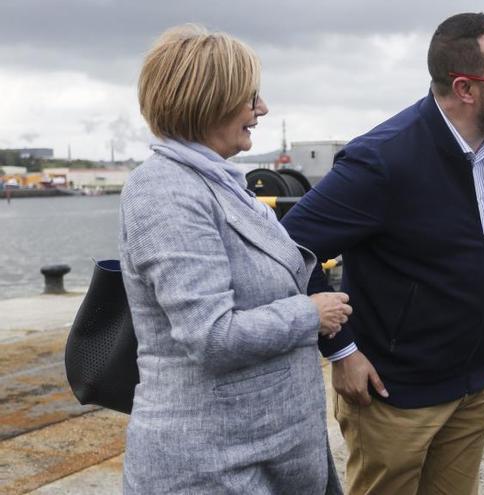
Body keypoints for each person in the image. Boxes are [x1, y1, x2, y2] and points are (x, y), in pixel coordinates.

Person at [281, 12, 484, 494]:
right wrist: (342, 350)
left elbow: (478, 248)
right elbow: (287, 250)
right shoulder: (382, 160)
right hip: (393, 396)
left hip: (473, 384)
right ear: (465, 88)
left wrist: (479, 318)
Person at [120, 24, 348, 494]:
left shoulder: (220, 182)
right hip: (213, 466)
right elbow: (211, 336)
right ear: (208, 100)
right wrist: (310, 312)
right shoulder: (165, 192)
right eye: (250, 97)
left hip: (268, 452)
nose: (261, 109)